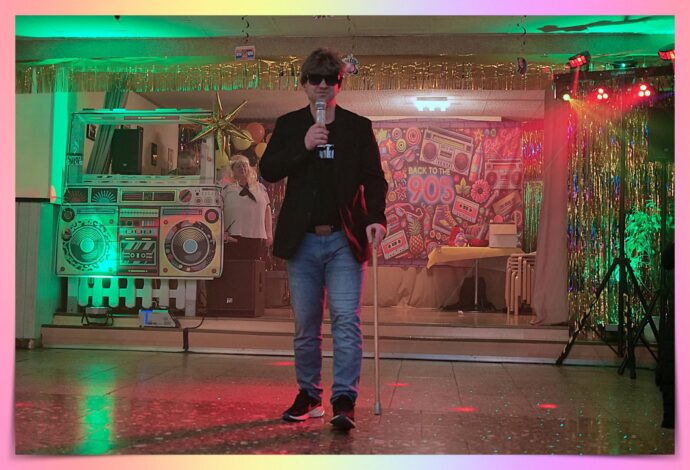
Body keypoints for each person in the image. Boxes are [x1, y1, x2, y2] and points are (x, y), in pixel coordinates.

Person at [259, 48, 388, 431]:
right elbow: (268, 169)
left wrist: (376, 219)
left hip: (344, 239)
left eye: (329, 79)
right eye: (314, 79)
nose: (321, 85)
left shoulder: (356, 127)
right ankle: (309, 395)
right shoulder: (289, 125)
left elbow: (374, 178)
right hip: (302, 242)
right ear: (303, 84)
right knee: (306, 324)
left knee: (346, 320)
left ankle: (344, 399)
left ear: (339, 85)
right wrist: (304, 145)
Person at [221, 154, 273, 259]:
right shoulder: (225, 188)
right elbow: (217, 211)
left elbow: (267, 210)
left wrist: (269, 233)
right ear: (232, 170)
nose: (242, 168)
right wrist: (221, 233)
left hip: (257, 236)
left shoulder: (260, 188)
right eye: (238, 166)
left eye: (245, 165)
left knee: (254, 267)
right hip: (233, 236)